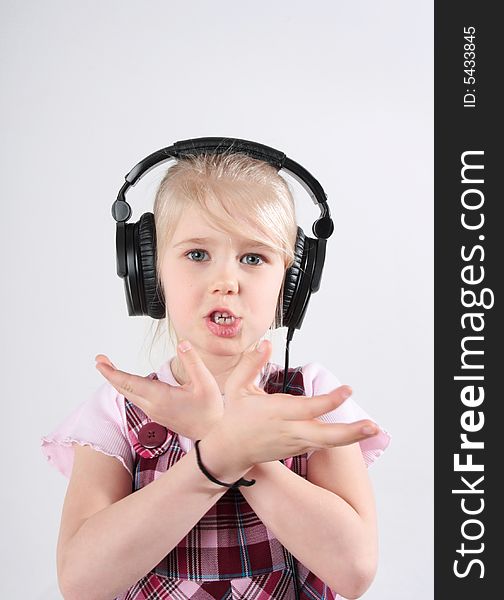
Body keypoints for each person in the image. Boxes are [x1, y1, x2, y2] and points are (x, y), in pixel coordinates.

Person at [41, 147, 390, 600]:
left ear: (291, 281)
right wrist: (218, 456)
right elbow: (82, 583)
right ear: (150, 273)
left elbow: (354, 569)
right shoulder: (117, 414)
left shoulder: (310, 398)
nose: (227, 280)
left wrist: (227, 440)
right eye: (198, 253)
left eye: (253, 258)